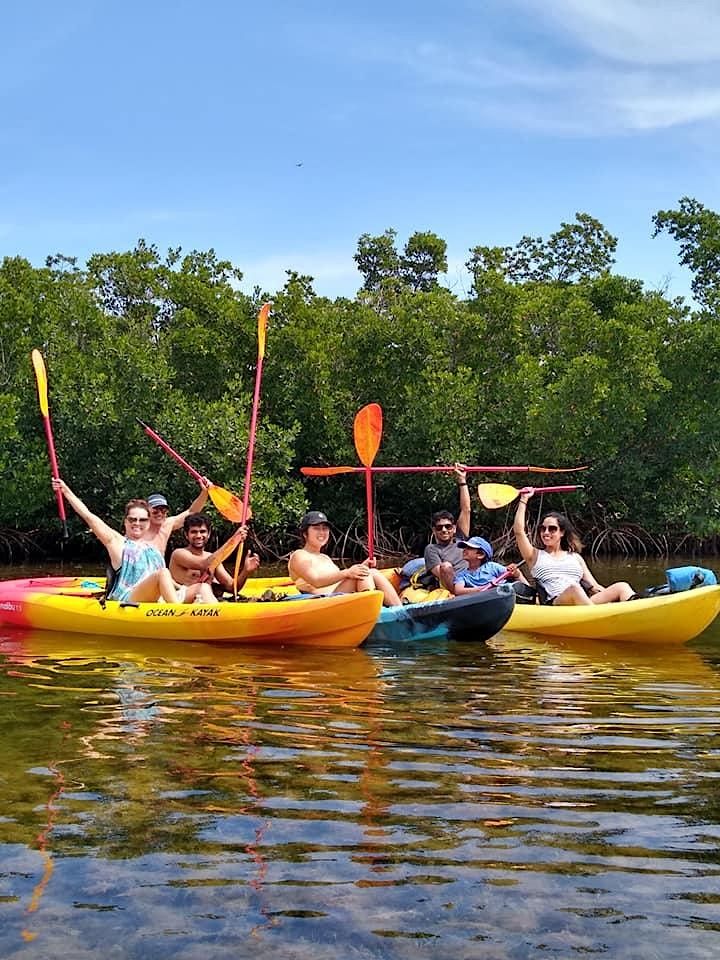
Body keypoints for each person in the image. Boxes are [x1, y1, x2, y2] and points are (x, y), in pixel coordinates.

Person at [51, 479, 191, 603]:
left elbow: (190, 513)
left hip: (156, 598)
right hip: (128, 598)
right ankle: (178, 613)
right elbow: (89, 516)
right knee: (163, 572)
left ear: (148, 523)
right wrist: (66, 491)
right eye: (132, 519)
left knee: (199, 587)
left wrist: (181, 587)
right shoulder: (117, 542)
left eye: (142, 520)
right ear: (125, 522)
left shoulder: (153, 548)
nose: (137, 523)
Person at [513, 488, 637, 605]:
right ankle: (599, 616)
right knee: (574, 589)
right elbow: (519, 531)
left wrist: (611, 599)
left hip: (583, 601)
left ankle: (633, 610)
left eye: (552, 529)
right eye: (542, 528)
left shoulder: (576, 557)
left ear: (562, 532)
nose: (546, 532)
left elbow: (594, 586)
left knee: (622, 586)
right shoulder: (534, 556)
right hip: (558, 603)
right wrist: (524, 499)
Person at [288, 511, 401, 606]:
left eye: (325, 528)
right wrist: (348, 572)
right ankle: (373, 612)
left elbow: (339, 580)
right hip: (322, 603)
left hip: (338, 596)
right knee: (364, 574)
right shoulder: (299, 555)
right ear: (305, 533)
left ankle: (399, 609)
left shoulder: (325, 558)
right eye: (316, 528)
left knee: (371, 571)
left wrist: (363, 565)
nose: (322, 532)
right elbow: (316, 581)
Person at [169, 513, 260, 599]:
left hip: (208, 602)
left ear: (208, 534)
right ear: (186, 535)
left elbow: (232, 587)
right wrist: (233, 540)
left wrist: (245, 571)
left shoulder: (212, 557)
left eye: (202, 531)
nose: (198, 536)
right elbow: (204, 564)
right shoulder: (179, 554)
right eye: (194, 532)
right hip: (186, 602)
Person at [423, 464, 471, 591]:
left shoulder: (461, 538)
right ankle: (462, 593)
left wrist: (462, 481)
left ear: (454, 528)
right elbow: (442, 573)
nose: (444, 530)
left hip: (473, 579)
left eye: (448, 526)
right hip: (454, 585)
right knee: (445, 566)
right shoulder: (431, 549)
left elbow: (466, 509)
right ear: (434, 531)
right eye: (439, 528)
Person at [144, 485, 210, 555]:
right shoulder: (140, 528)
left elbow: (191, 512)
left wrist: (205, 492)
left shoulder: (167, 524)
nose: (159, 514)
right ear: (147, 511)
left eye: (163, 511)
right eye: (155, 511)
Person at [451, 536, 527, 596]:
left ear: (480, 555)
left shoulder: (492, 566)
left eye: (469, 548)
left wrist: (516, 573)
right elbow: (458, 590)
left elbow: (512, 573)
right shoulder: (462, 575)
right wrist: (481, 589)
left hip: (501, 593)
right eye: (465, 548)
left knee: (516, 576)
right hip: (485, 598)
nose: (464, 550)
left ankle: (529, 594)